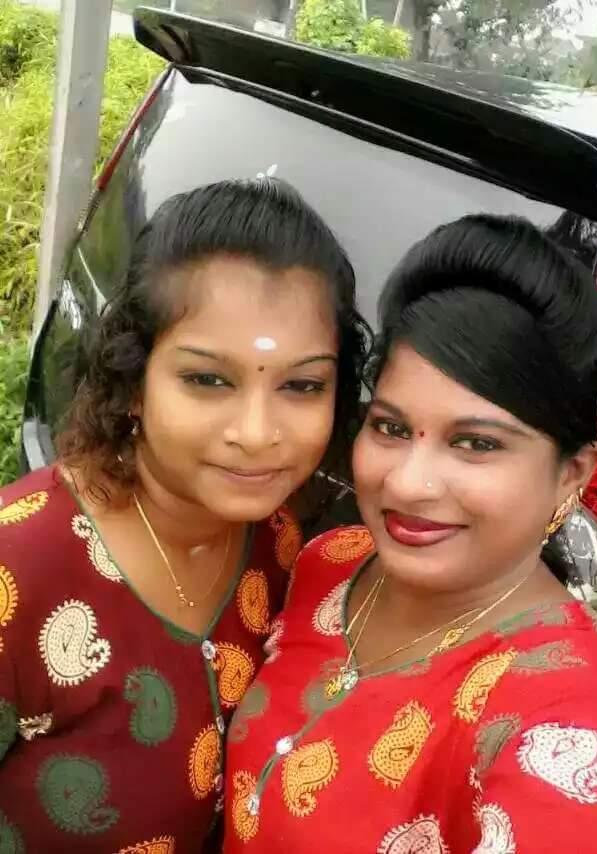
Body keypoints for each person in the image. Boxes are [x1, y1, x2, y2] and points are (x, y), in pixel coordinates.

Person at [223, 215, 597, 853]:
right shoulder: (330, 562)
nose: (410, 483)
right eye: (390, 428)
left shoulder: (578, 724)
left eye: (476, 444)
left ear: (570, 475)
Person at [0, 178, 369, 853]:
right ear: (133, 381)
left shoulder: (282, 547)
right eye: (208, 380)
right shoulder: (15, 570)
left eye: (302, 385)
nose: (257, 433)